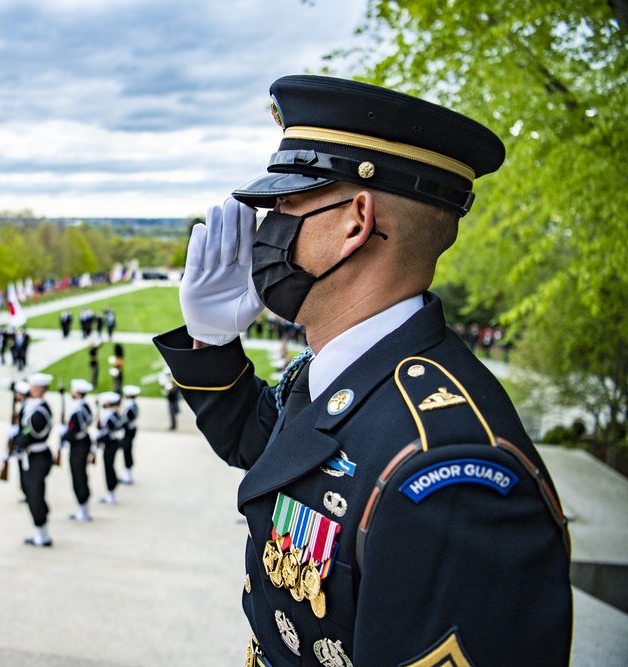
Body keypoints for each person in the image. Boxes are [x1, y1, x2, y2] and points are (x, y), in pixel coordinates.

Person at [154, 75, 572, 666]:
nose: (265, 229)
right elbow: (262, 446)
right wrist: (212, 339)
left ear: (356, 220)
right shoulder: (346, 370)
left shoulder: (450, 474)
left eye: (285, 205)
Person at [11, 373, 54, 546]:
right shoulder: (33, 405)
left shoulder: (39, 411)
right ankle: (41, 531)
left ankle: (42, 535)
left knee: (35, 495)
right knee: (30, 492)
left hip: (37, 456)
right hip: (30, 456)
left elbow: (30, 432)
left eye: (33, 388)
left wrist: (17, 440)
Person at [57, 379, 95, 522]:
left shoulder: (77, 411)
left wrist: (63, 434)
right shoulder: (85, 406)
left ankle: (83, 510)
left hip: (78, 445)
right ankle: (83, 508)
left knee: (78, 477)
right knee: (81, 476)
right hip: (83, 442)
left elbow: (73, 431)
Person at [96, 391, 125, 505]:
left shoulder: (109, 416)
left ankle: (111, 492)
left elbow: (107, 431)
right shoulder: (113, 414)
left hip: (110, 444)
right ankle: (111, 488)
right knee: (109, 466)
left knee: (108, 467)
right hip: (113, 443)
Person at [118, 385, 140, 484]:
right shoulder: (132, 405)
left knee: (127, 451)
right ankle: (128, 473)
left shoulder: (130, 407)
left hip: (129, 431)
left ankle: (128, 475)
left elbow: (124, 420)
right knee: (127, 450)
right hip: (130, 430)